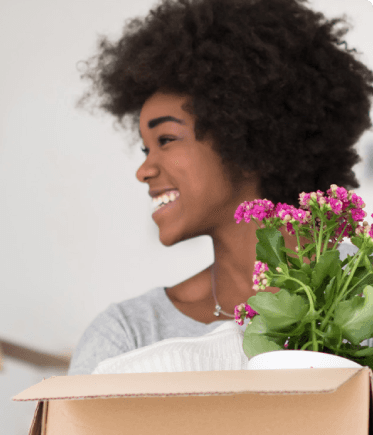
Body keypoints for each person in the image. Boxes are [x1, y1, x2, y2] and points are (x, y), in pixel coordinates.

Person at [69, 0, 373, 375]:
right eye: (145, 148)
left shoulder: (364, 296)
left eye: (166, 139)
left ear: (244, 139)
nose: (144, 170)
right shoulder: (128, 336)